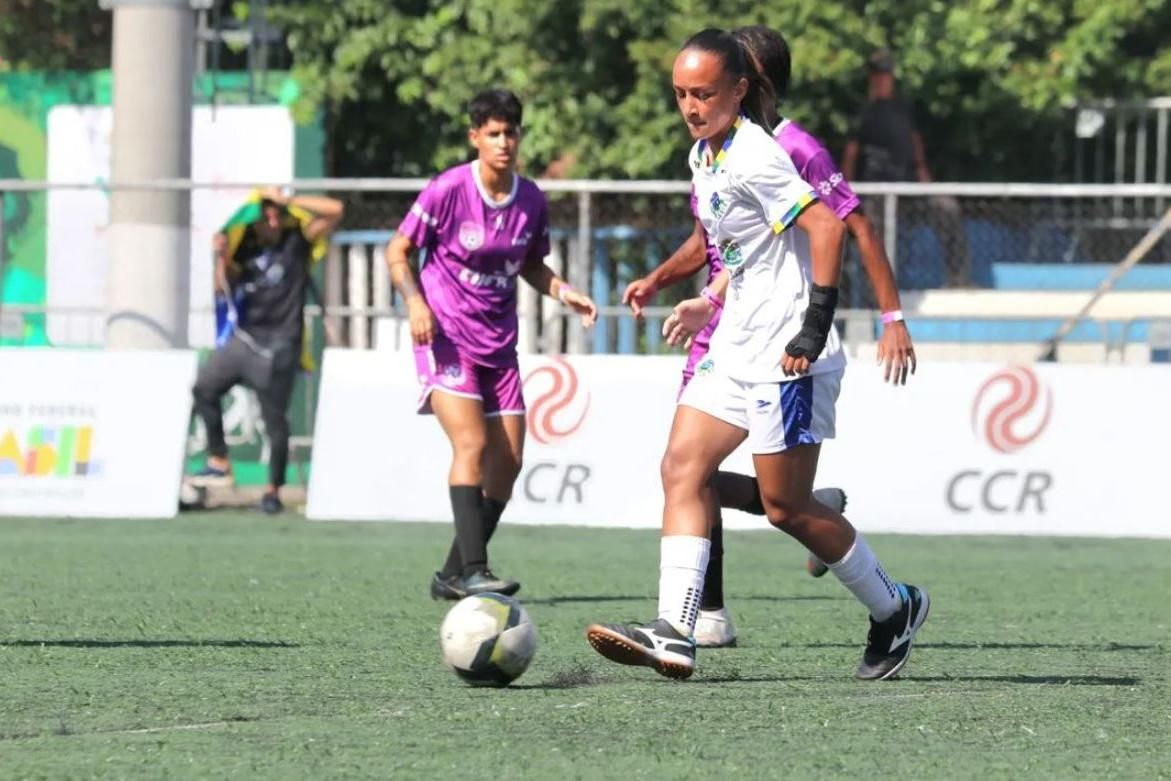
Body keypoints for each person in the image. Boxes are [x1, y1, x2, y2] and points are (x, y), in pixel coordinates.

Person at [585, 29, 929, 681]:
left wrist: (812, 326)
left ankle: (895, 605)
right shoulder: (704, 154)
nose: (690, 106)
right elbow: (743, 247)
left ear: (738, 90)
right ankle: (676, 630)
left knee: (785, 509)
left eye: (704, 93)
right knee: (682, 468)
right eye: (681, 93)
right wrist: (705, 298)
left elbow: (827, 225)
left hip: (786, 355)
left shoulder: (756, 154)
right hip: (735, 343)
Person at [385, 88, 598, 600]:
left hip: (499, 345)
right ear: (475, 137)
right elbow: (398, 250)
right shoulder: (448, 190)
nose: (504, 142)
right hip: (447, 338)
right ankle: (475, 570)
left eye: (511, 132)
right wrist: (415, 303)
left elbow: (530, 265)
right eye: (494, 133)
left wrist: (564, 291)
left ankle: (452, 573)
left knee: (508, 462)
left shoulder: (531, 199)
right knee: (472, 446)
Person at [190, 188, 344, 514]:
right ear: (255, 220)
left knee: (274, 420)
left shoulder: (297, 240)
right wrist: (219, 256)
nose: (272, 220)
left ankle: (273, 490)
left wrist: (291, 201)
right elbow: (223, 288)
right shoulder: (243, 246)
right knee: (204, 388)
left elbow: (334, 210)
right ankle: (219, 460)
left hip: (281, 344)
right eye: (266, 214)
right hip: (244, 340)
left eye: (277, 213)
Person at [842, 48, 971, 287]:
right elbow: (851, 152)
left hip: (908, 185)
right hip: (875, 192)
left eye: (885, 74)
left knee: (947, 208)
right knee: (873, 238)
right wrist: (847, 192)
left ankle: (958, 279)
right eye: (877, 75)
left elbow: (915, 141)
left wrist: (924, 177)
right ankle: (878, 295)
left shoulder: (904, 107)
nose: (881, 79)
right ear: (871, 78)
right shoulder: (862, 112)